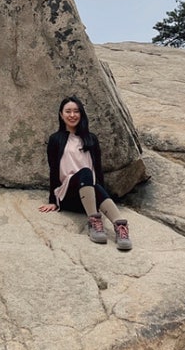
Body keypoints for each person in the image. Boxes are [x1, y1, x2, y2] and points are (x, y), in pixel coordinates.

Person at [39, 96, 133, 250]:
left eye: (76, 111)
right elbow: (53, 170)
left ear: (81, 114)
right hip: (68, 195)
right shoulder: (56, 139)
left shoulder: (91, 139)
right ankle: (94, 223)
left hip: (89, 196)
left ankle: (120, 227)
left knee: (90, 177)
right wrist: (52, 200)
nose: (72, 115)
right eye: (68, 111)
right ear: (61, 115)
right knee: (85, 173)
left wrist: (102, 196)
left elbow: (99, 170)